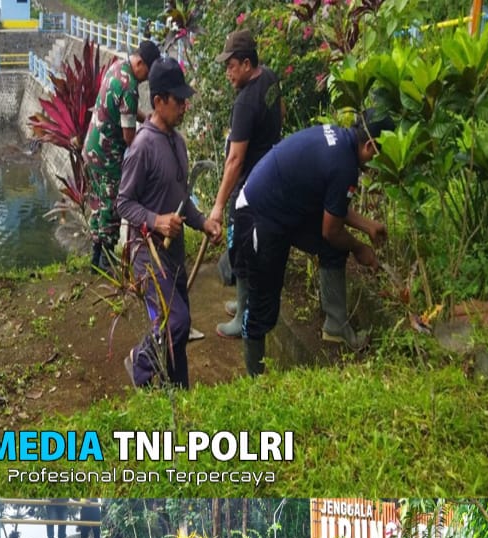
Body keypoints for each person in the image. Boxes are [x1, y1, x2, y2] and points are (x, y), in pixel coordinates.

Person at [235, 111, 394, 375]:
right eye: (382, 156)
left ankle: (336, 326)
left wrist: (368, 226)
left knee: (333, 247)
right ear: (370, 146)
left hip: (284, 207)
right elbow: (331, 230)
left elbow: (333, 207)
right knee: (263, 306)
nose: (379, 166)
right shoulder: (344, 165)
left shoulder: (340, 141)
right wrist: (359, 247)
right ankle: (254, 382)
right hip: (259, 215)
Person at [117, 57, 223, 388]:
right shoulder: (142, 147)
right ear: (159, 101)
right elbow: (123, 203)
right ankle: (140, 362)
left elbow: (182, 200)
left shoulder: (177, 142)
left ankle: (178, 389)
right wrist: (156, 221)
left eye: (184, 99)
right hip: (148, 256)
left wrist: (203, 223)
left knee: (178, 326)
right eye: (178, 100)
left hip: (173, 254)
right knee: (175, 321)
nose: (184, 106)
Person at [209, 30, 283, 338]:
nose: (228, 73)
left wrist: (218, 205)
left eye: (231, 66)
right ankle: (243, 304)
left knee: (240, 248)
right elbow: (281, 111)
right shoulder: (270, 78)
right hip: (269, 179)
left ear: (247, 64)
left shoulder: (245, 103)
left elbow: (235, 160)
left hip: (247, 189)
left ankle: (242, 318)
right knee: (251, 247)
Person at [83, 39, 161, 273]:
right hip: (108, 157)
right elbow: (129, 138)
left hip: (92, 149)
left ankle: (95, 258)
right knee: (112, 207)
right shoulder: (130, 88)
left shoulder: (117, 68)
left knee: (98, 206)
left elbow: (127, 110)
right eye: (148, 72)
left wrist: (146, 119)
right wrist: (150, 148)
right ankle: (106, 261)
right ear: (140, 63)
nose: (147, 78)